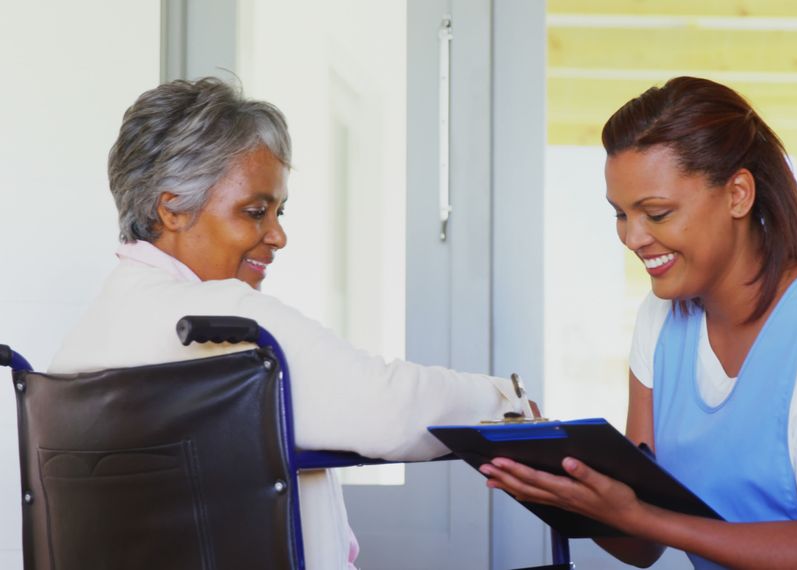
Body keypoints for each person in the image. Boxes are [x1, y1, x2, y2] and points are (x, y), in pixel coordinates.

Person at [49, 77, 534, 570]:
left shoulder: (75, 349)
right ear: (171, 209)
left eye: (279, 211)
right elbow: (391, 409)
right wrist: (508, 404)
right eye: (255, 212)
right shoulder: (226, 323)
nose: (278, 236)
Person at [480, 77, 797, 569]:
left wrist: (642, 517)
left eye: (656, 213)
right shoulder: (661, 322)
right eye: (620, 215)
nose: (633, 238)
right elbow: (640, 546)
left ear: (738, 194)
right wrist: (557, 485)